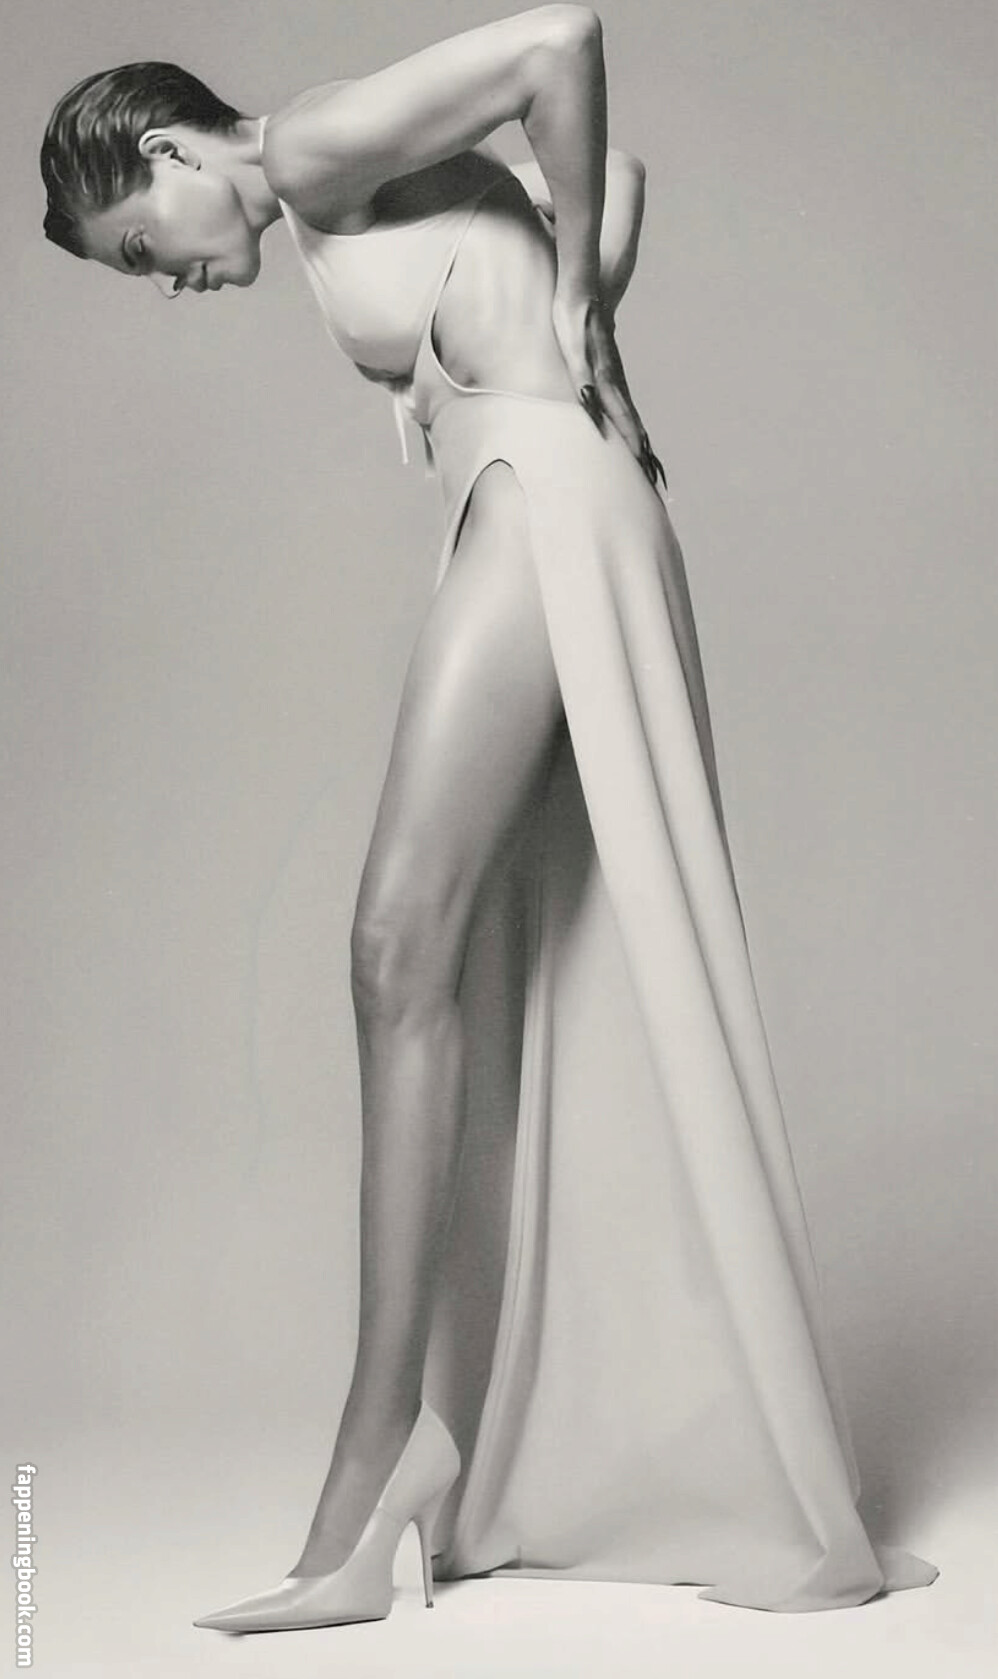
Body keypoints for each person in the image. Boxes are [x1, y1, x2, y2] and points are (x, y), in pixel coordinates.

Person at [41, 5, 938, 1631]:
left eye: (142, 246)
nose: (166, 281)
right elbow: (618, 169)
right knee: (483, 960)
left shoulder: (311, 147)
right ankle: (418, 1453)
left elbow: (557, 44)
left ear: (168, 151)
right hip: (538, 498)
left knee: (399, 951)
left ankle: (373, 1464)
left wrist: (571, 302)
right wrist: (547, 296)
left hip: (537, 501)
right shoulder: (337, 189)